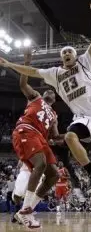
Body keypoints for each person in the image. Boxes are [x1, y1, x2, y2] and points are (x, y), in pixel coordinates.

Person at [1, 0, 91, 181]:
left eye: (69, 51)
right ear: (61, 57)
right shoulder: (55, 73)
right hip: (83, 116)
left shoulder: (84, 62)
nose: (66, 54)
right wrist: (9, 64)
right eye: (63, 53)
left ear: (75, 55)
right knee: (71, 137)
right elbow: (31, 72)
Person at [12, 50, 59, 228]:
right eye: (47, 89)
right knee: (40, 165)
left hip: (41, 139)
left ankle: (27, 209)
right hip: (26, 130)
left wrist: (74, 135)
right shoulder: (36, 97)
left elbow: (55, 137)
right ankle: (25, 211)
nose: (49, 91)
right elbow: (23, 84)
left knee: (54, 175)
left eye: (52, 91)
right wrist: (27, 62)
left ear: (55, 99)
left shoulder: (54, 115)